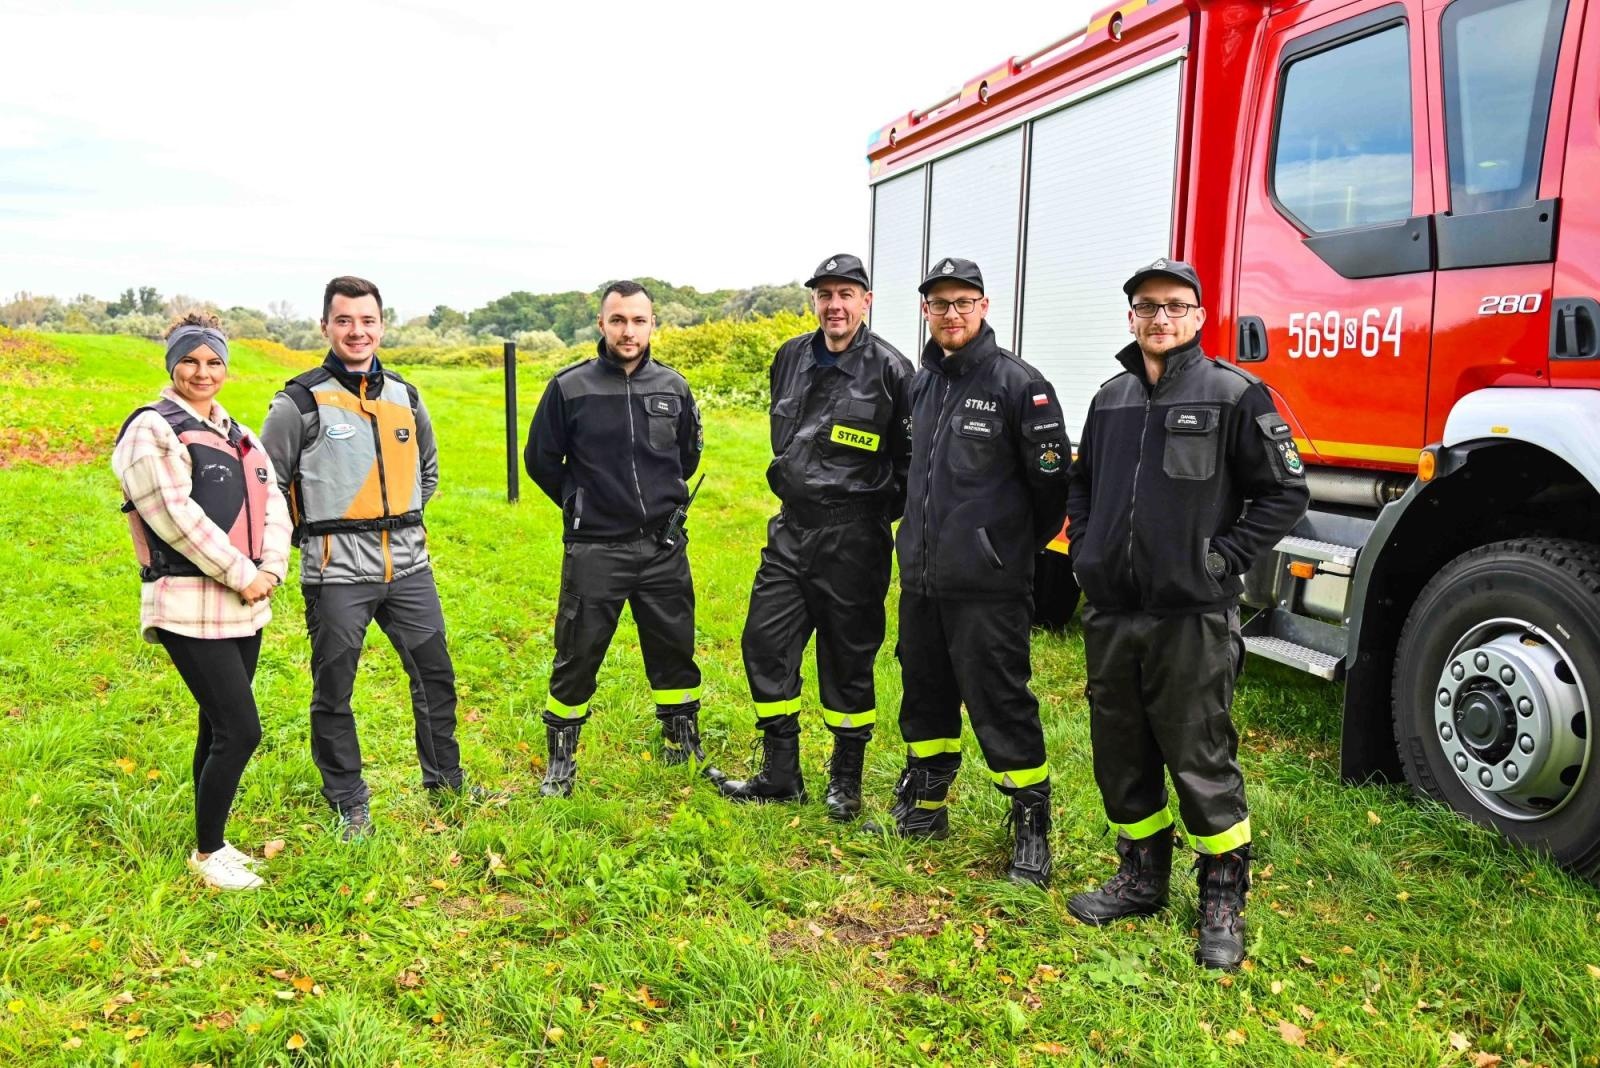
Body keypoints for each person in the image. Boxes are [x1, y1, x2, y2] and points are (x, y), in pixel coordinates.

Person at [1063, 258, 1309, 970]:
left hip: (1191, 615)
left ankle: (1222, 898)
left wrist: (1221, 558)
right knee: (1122, 753)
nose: (1160, 318)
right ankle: (1141, 878)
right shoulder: (1109, 398)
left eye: (1175, 306)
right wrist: (1086, 550)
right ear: (1131, 316)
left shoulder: (1235, 394)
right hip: (1113, 612)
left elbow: (1285, 492)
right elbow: (1082, 485)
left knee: (1200, 756)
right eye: (1147, 306)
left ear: (1198, 317)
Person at [871, 257, 1070, 886]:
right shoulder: (922, 383)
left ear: (984, 307)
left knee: (1000, 701)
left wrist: (1000, 549)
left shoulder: (1020, 386)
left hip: (989, 584)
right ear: (925, 311)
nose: (950, 314)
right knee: (925, 693)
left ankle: (1031, 827)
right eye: (938, 303)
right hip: (924, 580)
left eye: (963, 302)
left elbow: (1051, 489)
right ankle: (926, 807)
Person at [260, 275, 470, 839]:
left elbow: (428, 470)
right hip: (336, 574)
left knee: (436, 676)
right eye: (345, 320)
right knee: (335, 690)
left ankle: (446, 781)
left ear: (382, 324)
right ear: (326, 326)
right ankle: (348, 799)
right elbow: (268, 486)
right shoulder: (297, 402)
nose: (358, 331)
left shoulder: (406, 395)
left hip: (409, 568)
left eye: (368, 320)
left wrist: (400, 518)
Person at [719, 254, 913, 820]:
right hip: (790, 530)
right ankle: (781, 773)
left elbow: (909, 460)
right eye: (825, 293)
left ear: (866, 302)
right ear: (814, 301)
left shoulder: (892, 370)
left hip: (854, 537)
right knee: (764, 641)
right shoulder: (790, 357)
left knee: (847, 657)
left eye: (846, 293)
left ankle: (845, 781)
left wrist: (866, 510)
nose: (834, 304)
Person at [113, 314, 292, 890]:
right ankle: (209, 853)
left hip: (247, 602)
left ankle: (209, 839)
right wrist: (243, 572)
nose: (201, 372)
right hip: (189, 602)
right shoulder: (151, 429)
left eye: (213, 361)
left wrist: (271, 568)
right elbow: (173, 517)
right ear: (171, 363)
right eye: (189, 360)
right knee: (241, 730)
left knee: (216, 727)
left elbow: (274, 505)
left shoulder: (240, 432)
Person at [523, 280, 712, 797]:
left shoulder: (673, 387)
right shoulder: (570, 387)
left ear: (654, 325)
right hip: (596, 549)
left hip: (662, 548)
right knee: (577, 653)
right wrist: (580, 502)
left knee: (675, 648)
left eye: (638, 320)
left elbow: (686, 456)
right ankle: (561, 762)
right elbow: (540, 460)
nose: (628, 331)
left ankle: (683, 742)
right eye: (618, 320)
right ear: (601, 325)